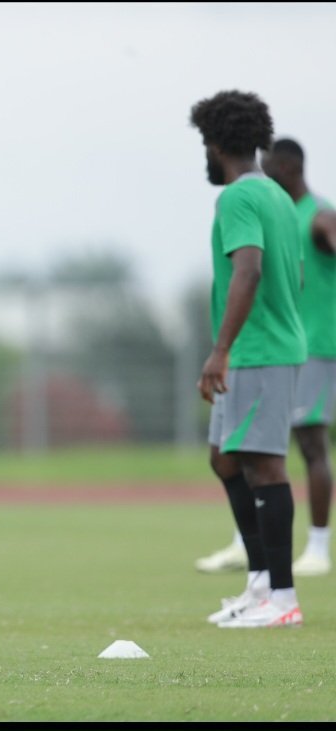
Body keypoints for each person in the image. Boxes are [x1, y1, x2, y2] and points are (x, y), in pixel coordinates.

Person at [190, 90, 306, 628]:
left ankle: (282, 599)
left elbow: (250, 270)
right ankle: (260, 584)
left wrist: (221, 349)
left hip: (256, 352)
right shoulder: (280, 196)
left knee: (264, 466)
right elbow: (296, 274)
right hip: (263, 347)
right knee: (225, 457)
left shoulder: (237, 198)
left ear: (214, 144)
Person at [195, 139, 336, 579]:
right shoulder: (274, 209)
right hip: (281, 346)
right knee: (236, 454)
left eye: (271, 166)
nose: (264, 172)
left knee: (304, 446)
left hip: (314, 347)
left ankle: (315, 549)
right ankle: (250, 553)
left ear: (290, 168)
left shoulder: (319, 216)